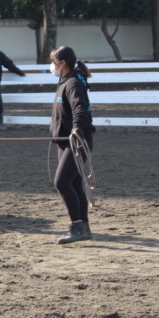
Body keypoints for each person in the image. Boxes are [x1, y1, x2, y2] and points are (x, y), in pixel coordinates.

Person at [49, 46, 96, 244]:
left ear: (63, 63)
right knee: (74, 183)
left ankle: (77, 226)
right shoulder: (65, 81)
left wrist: (77, 129)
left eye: (54, 62)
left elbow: (80, 108)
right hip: (65, 142)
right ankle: (83, 226)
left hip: (75, 142)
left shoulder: (73, 83)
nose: (52, 66)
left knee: (61, 183)